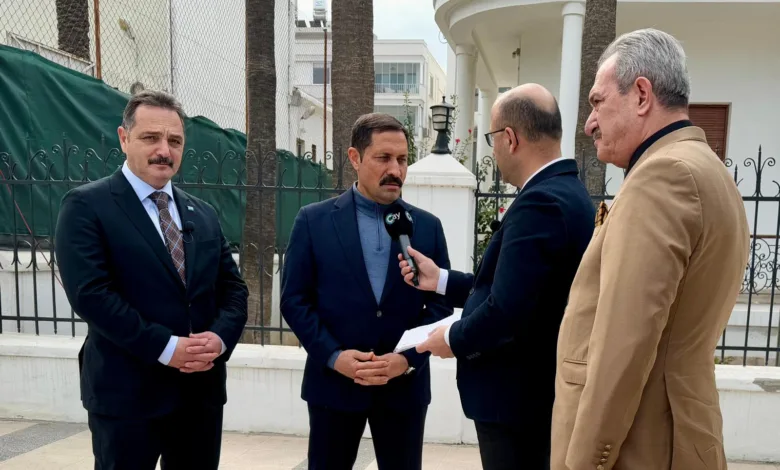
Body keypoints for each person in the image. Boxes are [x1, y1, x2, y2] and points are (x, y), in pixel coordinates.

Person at [550, 28, 750, 470]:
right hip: (682, 437)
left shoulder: (662, 177)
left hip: (641, 447)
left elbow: (623, 346)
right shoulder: (709, 170)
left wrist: (584, 461)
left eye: (597, 102)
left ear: (641, 95)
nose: (589, 123)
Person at [398, 84, 595, 470]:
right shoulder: (565, 192)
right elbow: (519, 288)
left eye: (492, 139)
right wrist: (440, 280)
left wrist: (449, 338)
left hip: (517, 403)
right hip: (533, 398)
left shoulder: (540, 203)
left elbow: (506, 311)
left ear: (510, 138)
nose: (493, 150)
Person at [54, 90, 248, 470]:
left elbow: (233, 289)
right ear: (124, 138)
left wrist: (219, 338)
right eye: (151, 138)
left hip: (199, 396)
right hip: (126, 397)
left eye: (174, 141)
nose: (164, 150)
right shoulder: (86, 206)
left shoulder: (202, 213)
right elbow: (91, 295)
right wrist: (166, 347)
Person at [280, 113, 453, 470]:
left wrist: (407, 360)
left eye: (402, 159)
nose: (396, 170)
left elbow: (440, 306)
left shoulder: (427, 227)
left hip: (403, 389)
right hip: (333, 387)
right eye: (383, 158)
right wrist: (334, 357)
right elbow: (295, 300)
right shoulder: (313, 221)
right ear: (355, 158)